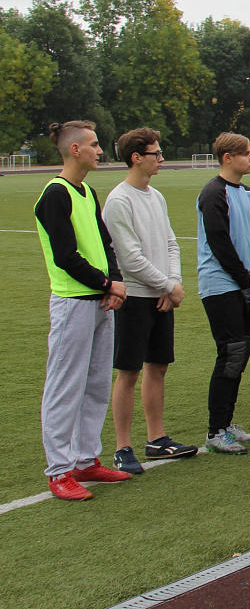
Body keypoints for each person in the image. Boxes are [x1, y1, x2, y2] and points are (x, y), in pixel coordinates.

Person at [35, 121, 130, 500]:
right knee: (64, 387)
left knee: (94, 385)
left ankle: (85, 459)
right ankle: (59, 470)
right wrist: (107, 285)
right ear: (75, 150)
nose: (99, 151)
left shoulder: (88, 192)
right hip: (73, 302)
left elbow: (106, 246)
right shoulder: (55, 194)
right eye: (93, 145)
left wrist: (115, 284)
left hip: (99, 301)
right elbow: (65, 256)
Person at [104, 128, 195, 476]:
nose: (161, 159)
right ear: (135, 157)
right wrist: (166, 286)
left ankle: (157, 439)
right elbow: (128, 258)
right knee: (129, 371)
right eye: (155, 153)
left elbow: (171, 244)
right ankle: (122, 446)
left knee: (158, 366)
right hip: (136, 298)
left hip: (161, 296)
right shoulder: (119, 200)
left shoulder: (156, 196)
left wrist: (173, 284)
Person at [197, 132, 250, 455]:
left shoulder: (248, 194)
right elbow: (219, 242)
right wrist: (244, 281)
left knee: (241, 356)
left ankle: (227, 422)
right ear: (228, 157)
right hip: (221, 286)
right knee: (230, 354)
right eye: (246, 153)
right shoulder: (213, 193)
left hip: (244, 285)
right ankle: (215, 430)